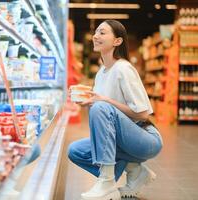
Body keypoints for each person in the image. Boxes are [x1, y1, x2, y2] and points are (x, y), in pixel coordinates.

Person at [67, 20, 163, 200]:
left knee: (102, 106)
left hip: (145, 139)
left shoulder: (124, 69)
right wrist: (89, 101)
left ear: (117, 41)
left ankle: (107, 181)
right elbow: (104, 112)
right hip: (123, 140)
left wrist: (104, 101)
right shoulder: (101, 72)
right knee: (75, 150)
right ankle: (135, 169)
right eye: (96, 32)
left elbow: (143, 114)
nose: (96, 36)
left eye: (102, 32)